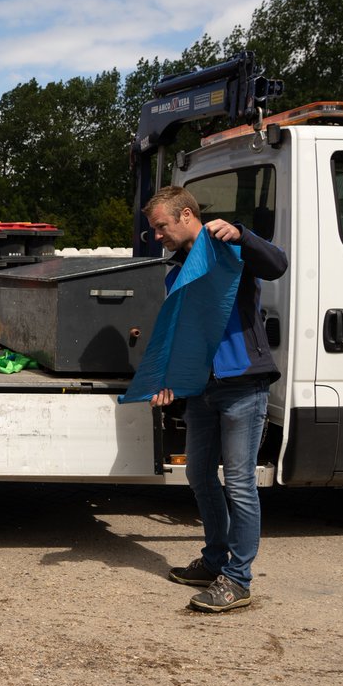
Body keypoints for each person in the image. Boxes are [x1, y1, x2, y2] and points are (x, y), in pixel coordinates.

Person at [145, 184, 287, 613]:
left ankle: (238, 580)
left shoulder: (230, 249)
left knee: (240, 484)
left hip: (243, 383)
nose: (157, 236)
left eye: (160, 227)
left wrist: (243, 234)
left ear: (186, 215)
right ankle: (213, 561)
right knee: (199, 477)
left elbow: (277, 264)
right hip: (202, 388)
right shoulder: (175, 272)